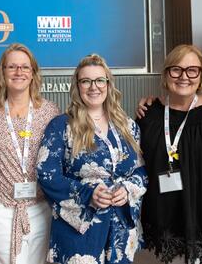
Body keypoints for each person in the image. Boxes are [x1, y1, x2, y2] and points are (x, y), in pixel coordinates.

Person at [37, 54, 148, 264]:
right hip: (79, 231)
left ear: (108, 83)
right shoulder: (61, 126)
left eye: (99, 80)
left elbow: (140, 170)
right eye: (86, 81)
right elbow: (46, 174)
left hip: (120, 230)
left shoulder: (127, 125)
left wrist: (127, 189)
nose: (93, 87)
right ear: (77, 86)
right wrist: (88, 194)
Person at [136, 45, 202, 264]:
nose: (184, 77)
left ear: (201, 75)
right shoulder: (147, 113)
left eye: (192, 70)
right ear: (166, 74)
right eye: (176, 70)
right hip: (161, 218)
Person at [0, 43, 59, 264]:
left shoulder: (49, 112)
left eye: (25, 67)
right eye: (12, 67)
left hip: (40, 207)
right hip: (1, 209)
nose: (18, 72)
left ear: (33, 73)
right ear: (2, 72)